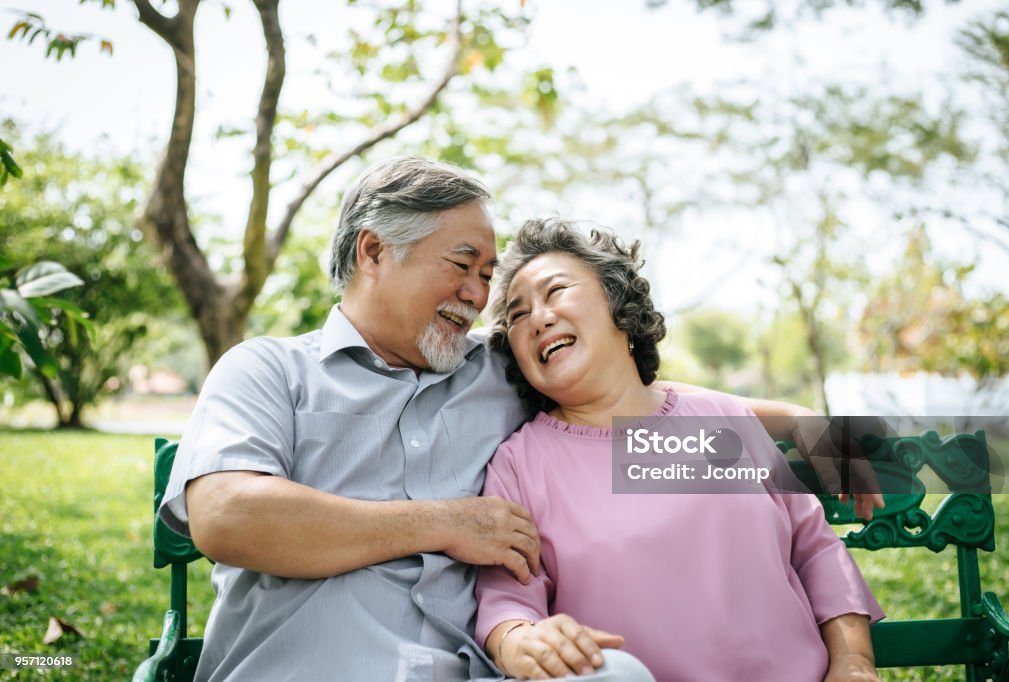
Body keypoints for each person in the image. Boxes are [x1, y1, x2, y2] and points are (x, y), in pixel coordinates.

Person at [158, 156, 866, 681]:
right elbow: (227, 516)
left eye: (487, 276)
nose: (478, 295)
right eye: (463, 266)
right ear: (374, 251)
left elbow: (629, 397)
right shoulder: (267, 371)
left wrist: (810, 427)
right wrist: (445, 522)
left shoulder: (502, 376)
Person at [475, 218, 885, 681]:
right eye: (517, 314)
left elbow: (816, 551)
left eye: (555, 292)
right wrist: (518, 639)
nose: (538, 318)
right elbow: (508, 602)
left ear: (618, 305)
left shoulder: (721, 418)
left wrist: (854, 661)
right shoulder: (519, 465)